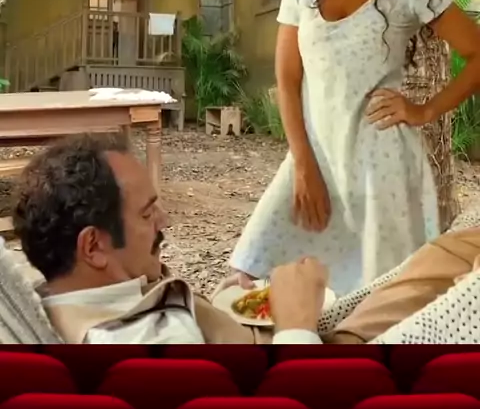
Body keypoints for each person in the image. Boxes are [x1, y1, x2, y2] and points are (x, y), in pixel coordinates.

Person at [229, 0, 480, 295]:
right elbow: (287, 81)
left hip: (384, 169)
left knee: (382, 295)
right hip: (316, 158)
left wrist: (425, 111)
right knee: (251, 273)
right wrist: (302, 163)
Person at [9, 133, 326, 345]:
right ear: (93, 247)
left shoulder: (55, 297)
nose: (164, 221)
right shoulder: (152, 343)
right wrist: (298, 326)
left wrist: (210, 310)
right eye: (147, 214)